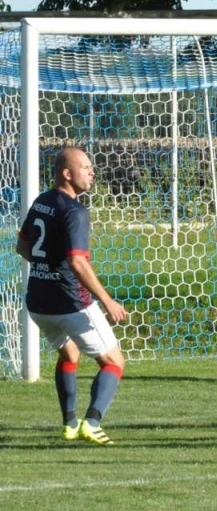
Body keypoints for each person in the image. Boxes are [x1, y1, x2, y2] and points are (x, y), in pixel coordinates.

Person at [16, 147, 127, 446]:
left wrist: (48, 270)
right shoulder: (74, 211)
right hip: (71, 303)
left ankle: (69, 424)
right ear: (67, 174)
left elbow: (22, 247)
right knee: (114, 362)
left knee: (69, 354)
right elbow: (78, 262)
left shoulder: (41, 202)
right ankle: (92, 422)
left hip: (38, 303)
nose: (92, 172)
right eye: (86, 167)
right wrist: (107, 300)